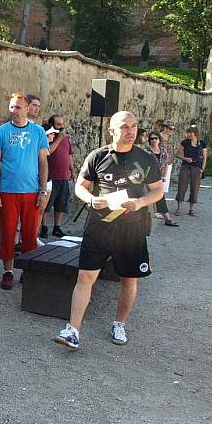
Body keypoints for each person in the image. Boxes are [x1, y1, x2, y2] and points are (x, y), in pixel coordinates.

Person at [53, 111, 164, 350]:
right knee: (85, 276)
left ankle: (119, 324)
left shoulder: (145, 158)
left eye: (134, 126)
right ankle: (73, 330)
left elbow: (157, 191)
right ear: (112, 130)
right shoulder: (98, 156)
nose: (131, 131)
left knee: (129, 279)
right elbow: (81, 187)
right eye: (125, 126)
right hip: (99, 226)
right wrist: (91, 200)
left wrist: (140, 203)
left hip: (132, 229)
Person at [0, 93, 49, 290]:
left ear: (27, 109)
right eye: (12, 107)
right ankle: (8, 271)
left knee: (30, 233)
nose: (15, 111)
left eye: (19, 107)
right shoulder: (1, 132)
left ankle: (27, 270)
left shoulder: (38, 131)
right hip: (8, 191)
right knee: (7, 232)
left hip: (31, 191)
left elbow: (42, 161)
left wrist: (42, 190)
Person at [40, 114, 75, 239]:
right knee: (47, 205)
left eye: (62, 124)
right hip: (51, 176)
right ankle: (43, 227)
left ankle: (57, 227)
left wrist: (72, 170)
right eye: (58, 124)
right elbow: (49, 151)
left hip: (63, 175)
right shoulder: (50, 137)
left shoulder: (65, 138)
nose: (61, 127)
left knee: (61, 204)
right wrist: (59, 138)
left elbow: (69, 154)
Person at [145, 132, 178, 227]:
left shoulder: (162, 151)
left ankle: (167, 218)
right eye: (152, 139)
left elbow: (166, 163)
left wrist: (164, 176)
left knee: (160, 197)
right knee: (142, 196)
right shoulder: (146, 151)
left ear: (159, 140)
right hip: (147, 178)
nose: (154, 140)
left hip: (158, 177)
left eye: (156, 138)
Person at [174, 126, 207, 216]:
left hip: (197, 168)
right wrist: (185, 158)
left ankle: (191, 209)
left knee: (195, 188)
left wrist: (202, 169)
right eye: (188, 133)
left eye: (190, 132)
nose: (188, 134)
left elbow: (204, 157)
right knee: (181, 187)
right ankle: (179, 208)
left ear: (195, 133)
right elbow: (177, 154)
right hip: (186, 166)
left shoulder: (202, 143)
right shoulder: (185, 142)